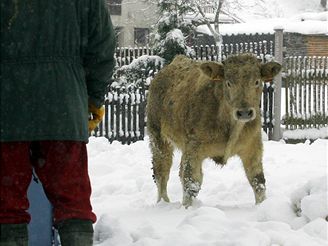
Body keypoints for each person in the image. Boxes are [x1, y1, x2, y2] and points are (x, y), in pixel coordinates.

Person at [0, 0, 116, 245]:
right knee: (73, 203)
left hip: (7, 113)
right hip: (62, 108)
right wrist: (90, 99)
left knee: (6, 205)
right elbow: (102, 48)